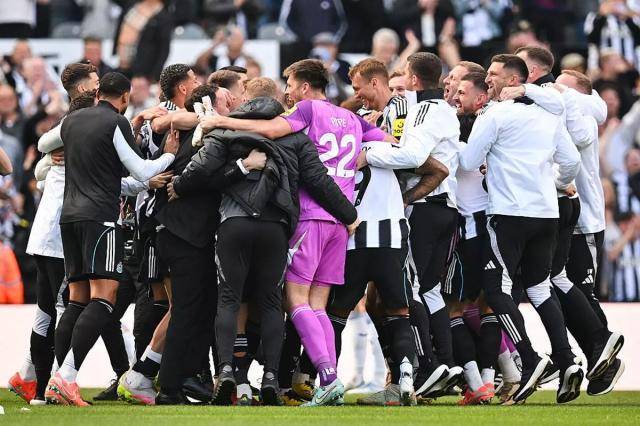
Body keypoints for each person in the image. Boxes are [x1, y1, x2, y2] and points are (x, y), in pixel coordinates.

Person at [200, 58, 389, 406]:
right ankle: (330, 382)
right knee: (318, 305)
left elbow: (271, 130)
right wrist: (361, 158)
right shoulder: (351, 118)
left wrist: (219, 121)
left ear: (304, 87)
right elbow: (390, 141)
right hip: (341, 221)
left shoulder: (307, 110)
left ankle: (328, 377)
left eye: (289, 85)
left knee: (295, 300)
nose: (286, 92)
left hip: (311, 216)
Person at [44, 72, 178, 406]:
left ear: (98, 93)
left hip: (69, 218)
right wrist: (169, 155)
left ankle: (56, 379)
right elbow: (141, 170)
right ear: (125, 97)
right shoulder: (115, 122)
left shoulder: (71, 121)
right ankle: (66, 378)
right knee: (105, 297)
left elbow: (46, 146)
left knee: (77, 299)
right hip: (100, 219)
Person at [459, 54, 583, 404]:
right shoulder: (548, 115)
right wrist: (555, 182)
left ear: (514, 81)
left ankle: (529, 359)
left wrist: (470, 151)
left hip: (509, 213)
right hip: (546, 213)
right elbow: (571, 161)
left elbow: (468, 161)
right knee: (540, 287)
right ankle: (566, 360)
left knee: (496, 290)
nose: (488, 79)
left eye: (494, 74)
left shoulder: (495, 115)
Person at [357, 52, 463, 398]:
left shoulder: (420, 111)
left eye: (403, 80)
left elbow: (412, 156)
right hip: (441, 206)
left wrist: (367, 153)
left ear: (414, 80)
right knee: (426, 290)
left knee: (410, 290)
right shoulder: (433, 110)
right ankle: (441, 366)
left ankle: (427, 367)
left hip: (425, 209)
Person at [7, 62, 99, 406]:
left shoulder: (70, 124)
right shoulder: (77, 123)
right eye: (95, 83)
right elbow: (42, 159)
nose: (100, 87)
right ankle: (52, 383)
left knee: (47, 310)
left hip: (50, 231)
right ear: (83, 89)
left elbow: (41, 166)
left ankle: (34, 382)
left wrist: (48, 161)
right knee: (62, 308)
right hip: (60, 232)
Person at [113, 0, 173, 81]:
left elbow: (164, 49)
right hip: (122, 64)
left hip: (142, 71)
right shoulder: (133, 5)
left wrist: (154, 75)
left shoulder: (163, 15)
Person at [349, 58, 408, 139]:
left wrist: (373, 134)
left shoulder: (401, 108)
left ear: (374, 83)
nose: (356, 96)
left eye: (357, 89)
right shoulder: (361, 113)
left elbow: (401, 144)